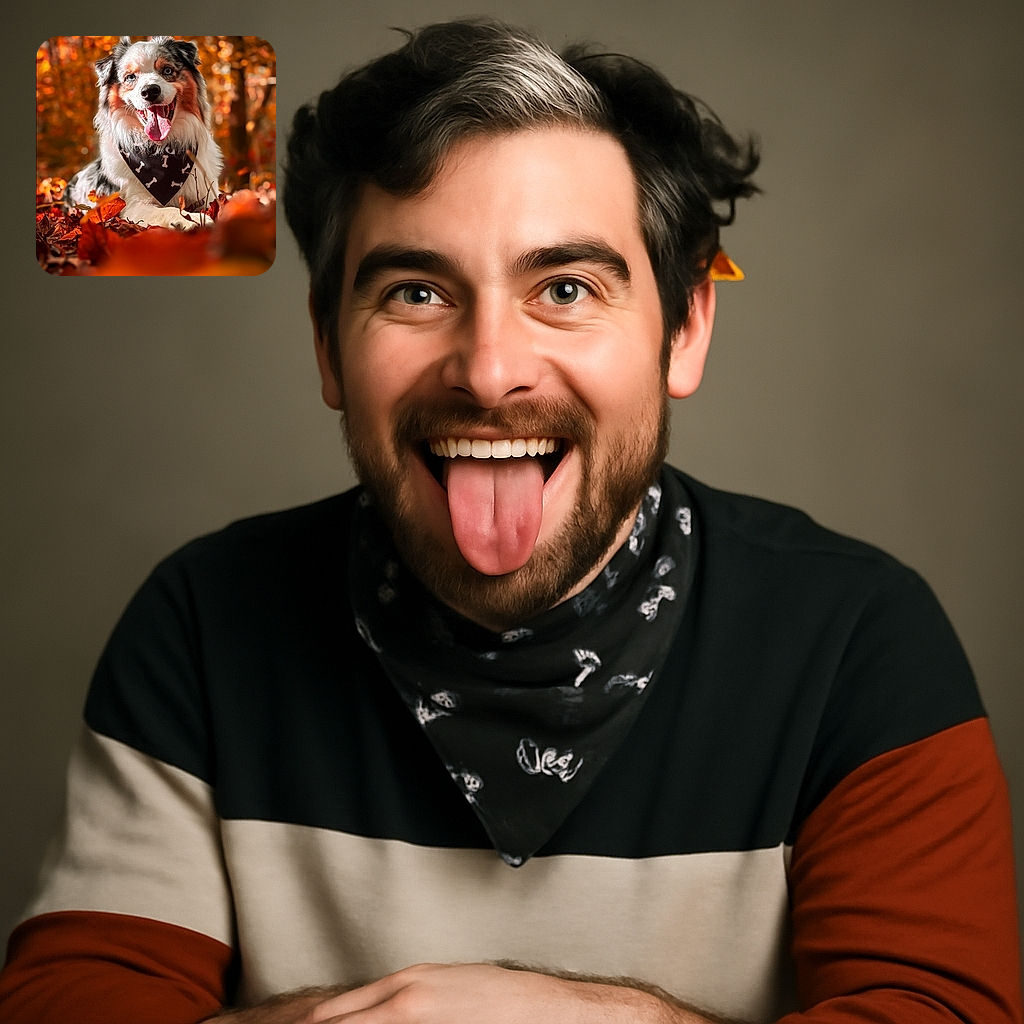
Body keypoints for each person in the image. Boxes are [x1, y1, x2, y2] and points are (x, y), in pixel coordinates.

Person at [1, 18, 1020, 1024]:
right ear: (327, 347)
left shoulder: (854, 639)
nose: (490, 371)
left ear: (684, 328)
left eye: (565, 288)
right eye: (415, 290)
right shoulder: (202, 624)